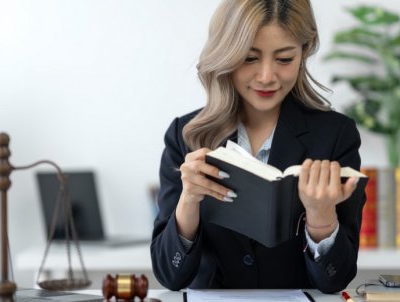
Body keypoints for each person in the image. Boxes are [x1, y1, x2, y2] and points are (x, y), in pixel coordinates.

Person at [150, 0, 366, 294]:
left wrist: (321, 218)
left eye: (284, 59)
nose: (266, 76)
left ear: (304, 53)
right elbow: (169, 276)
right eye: (249, 58)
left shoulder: (335, 135)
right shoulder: (186, 135)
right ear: (226, 55)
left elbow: (335, 281)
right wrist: (188, 201)